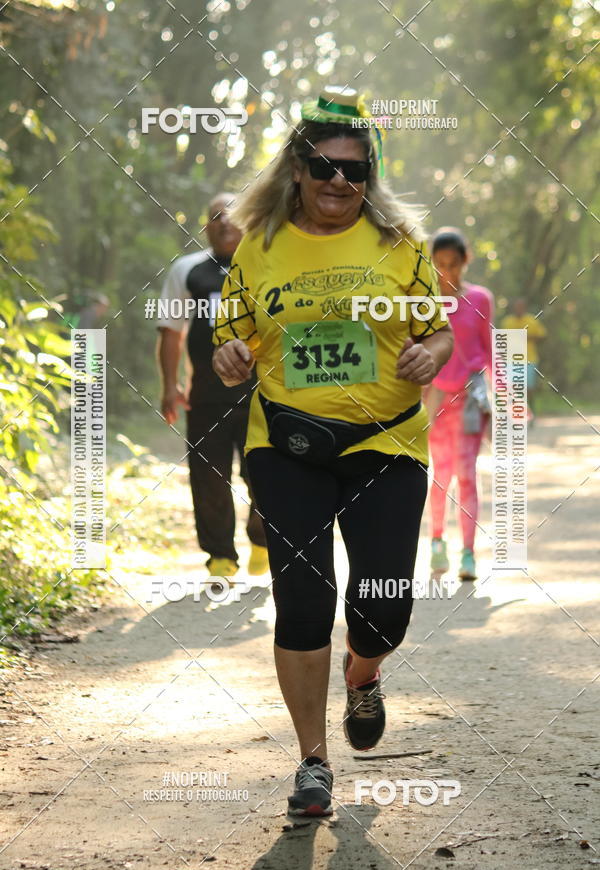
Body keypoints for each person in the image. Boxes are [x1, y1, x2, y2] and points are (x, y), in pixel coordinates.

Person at [212, 87, 453, 817]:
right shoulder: (259, 247)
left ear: (370, 176)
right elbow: (232, 338)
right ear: (298, 170)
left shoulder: (399, 245)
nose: (340, 181)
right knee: (303, 598)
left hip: (386, 441)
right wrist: (230, 356)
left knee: (385, 608)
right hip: (287, 443)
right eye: (324, 167)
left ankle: (363, 673)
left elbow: (438, 330)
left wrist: (433, 354)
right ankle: (313, 763)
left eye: (355, 170)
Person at [157, 192, 268, 578]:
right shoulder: (186, 270)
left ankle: (262, 538)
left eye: (232, 214)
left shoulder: (268, 265)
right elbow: (171, 332)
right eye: (215, 216)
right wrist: (170, 385)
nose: (224, 222)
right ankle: (220, 556)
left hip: (264, 395)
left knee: (266, 473)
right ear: (205, 226)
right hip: (205, 397)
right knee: (209, 479)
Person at [426, 227, 494, 582]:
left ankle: (468, 552)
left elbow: (490, 350)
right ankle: (437, 541)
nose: (446, 272)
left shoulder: (480, 299)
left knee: (467, 475)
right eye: (439, 264)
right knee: (441, 474)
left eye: (452, 264)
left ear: (465, 261)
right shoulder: (425, 303)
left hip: (469, 400)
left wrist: (508, 397)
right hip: (437, 401)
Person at [501, 297, 546, 422]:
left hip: (529, 359)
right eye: (517, 307)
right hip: (511, 360)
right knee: (512, 388)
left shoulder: (532, 320)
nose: (519, 309)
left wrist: (528, 337)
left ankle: (531, 412)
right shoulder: (507, 322)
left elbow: (542, 336)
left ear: (525, 308)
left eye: (521, 307)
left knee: (528, 388)